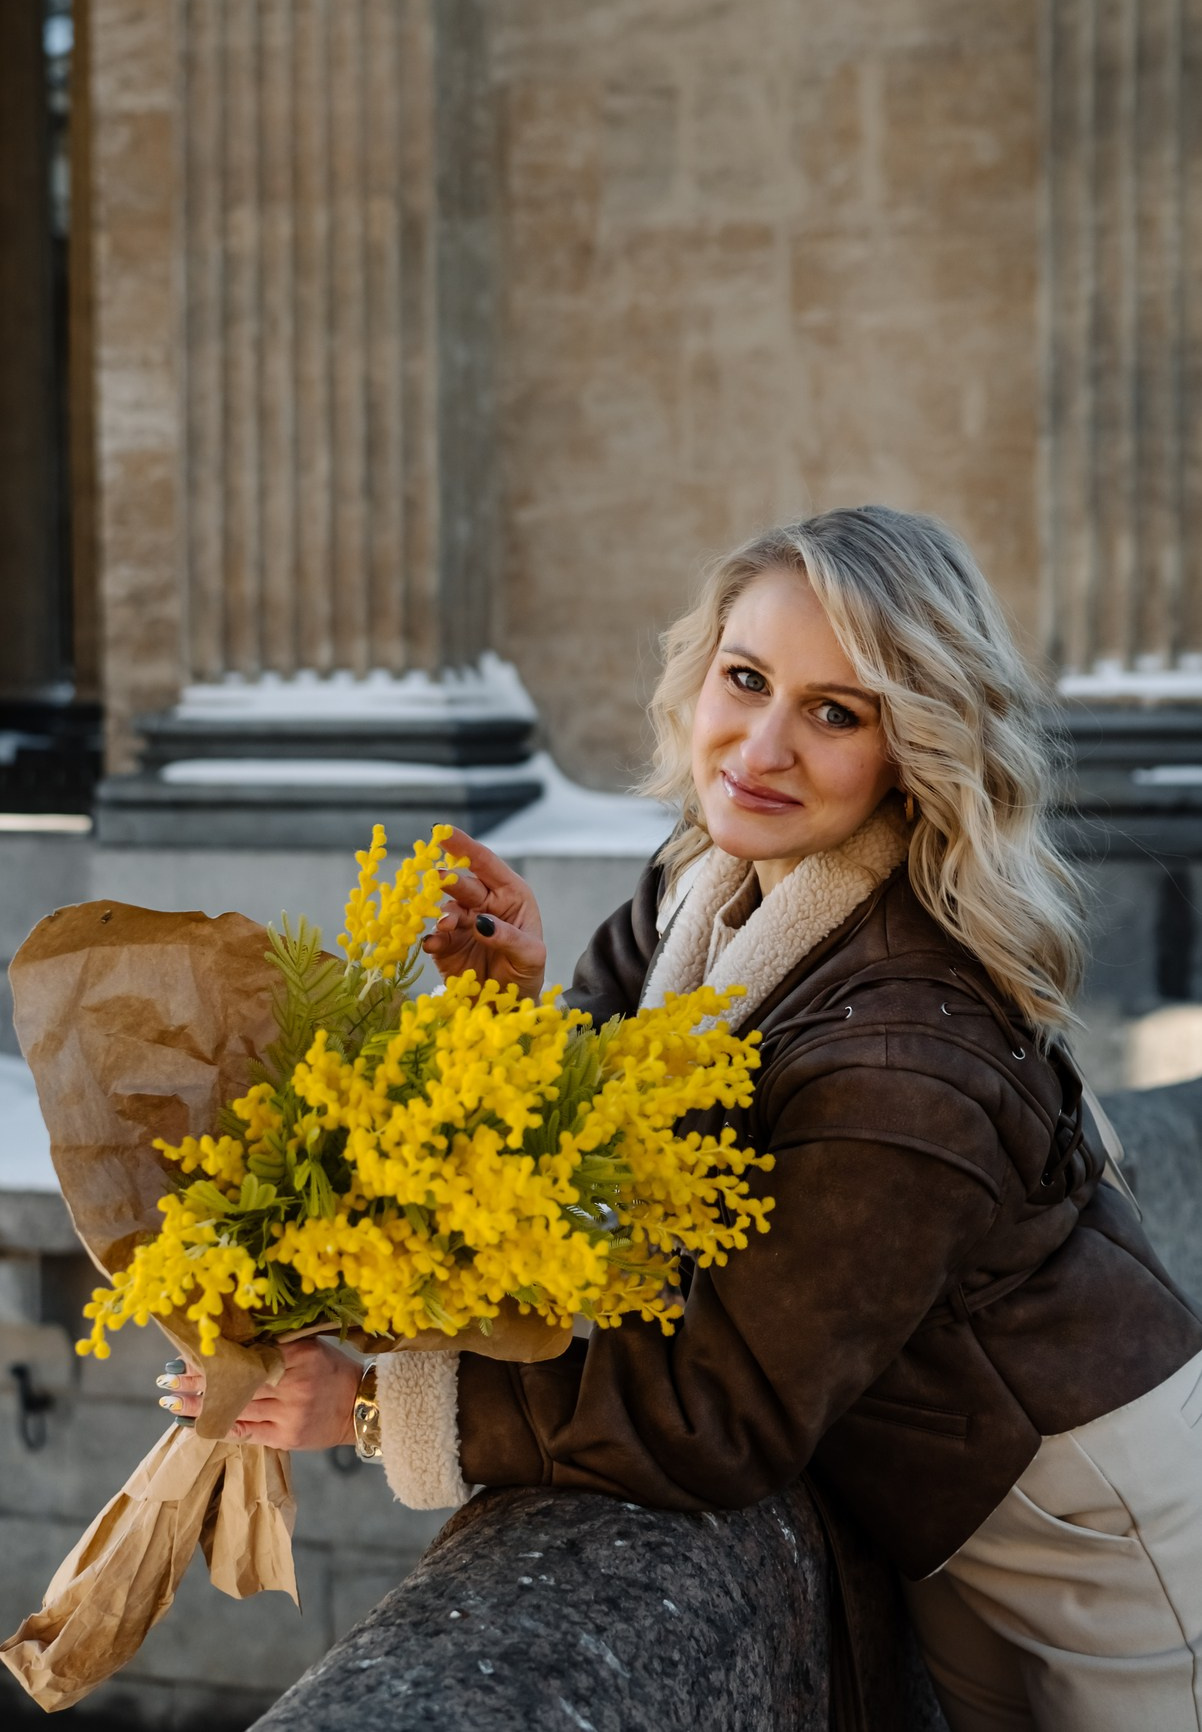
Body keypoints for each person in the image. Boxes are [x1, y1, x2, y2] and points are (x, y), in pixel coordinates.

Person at [160, 507, 1202, 1731]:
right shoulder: (699, 892)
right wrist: (504, 1009)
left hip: (1099, 1535)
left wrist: (380, 1402)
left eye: (835, 711)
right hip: (953, 1508)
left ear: (913, 746)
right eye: (745, 678)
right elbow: (598, 1142)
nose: (759, 747)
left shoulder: (908, 1058)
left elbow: (722, 1411)